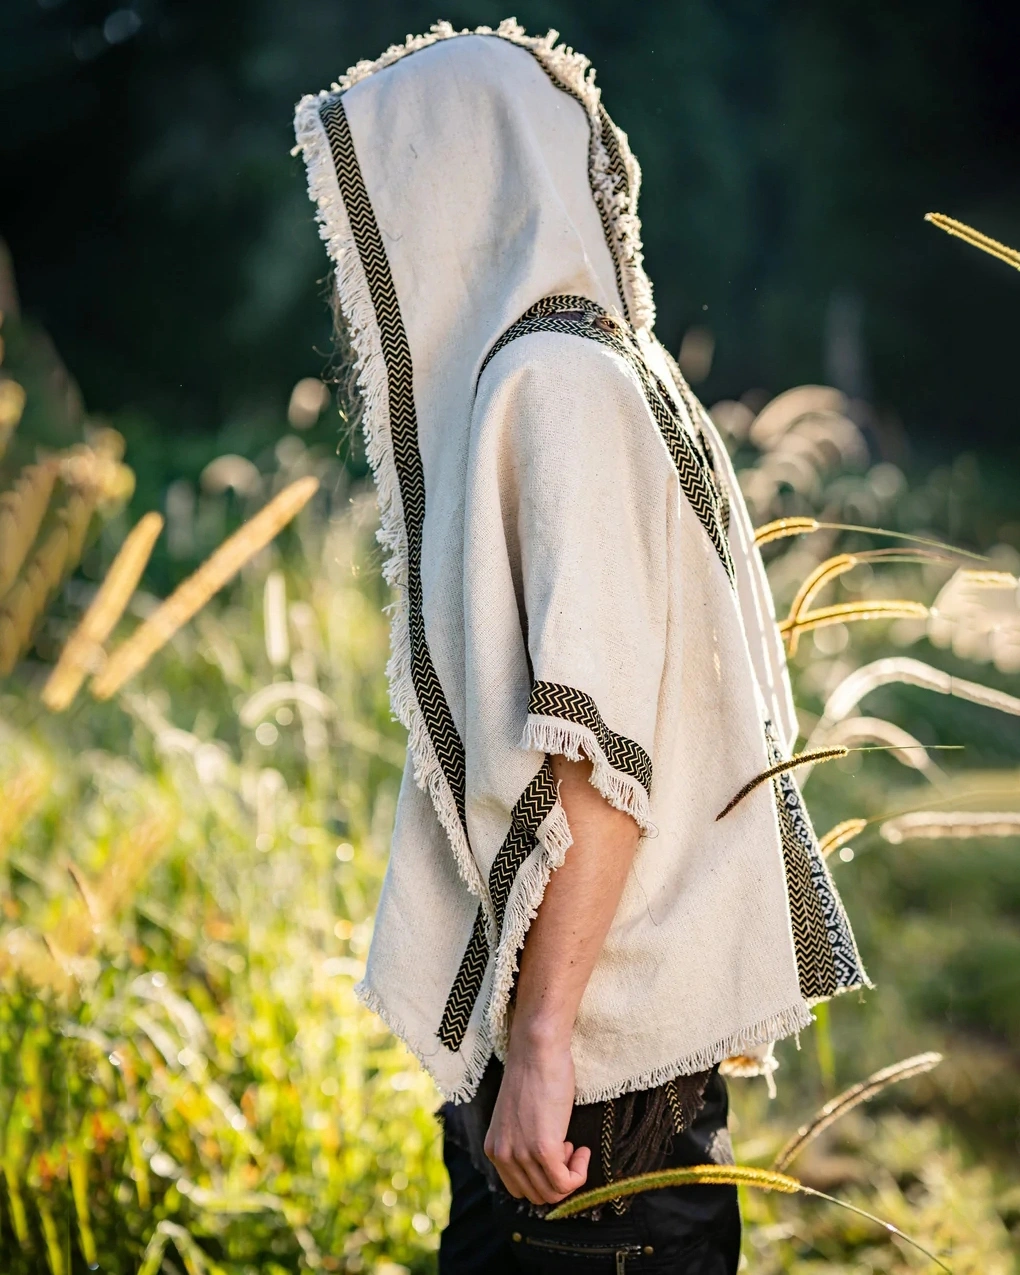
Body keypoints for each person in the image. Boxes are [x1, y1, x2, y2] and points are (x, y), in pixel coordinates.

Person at [295, 20, 868, 1273]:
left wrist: (544, 1042)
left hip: (593, 1081)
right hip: (615, 1072)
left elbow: (603, 753)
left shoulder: (554, 385)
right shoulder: (621, 368)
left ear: (460, 188)